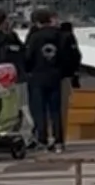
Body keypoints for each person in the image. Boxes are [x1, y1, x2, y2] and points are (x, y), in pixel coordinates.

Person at [21, 8, 66, 149]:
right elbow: (65, 56)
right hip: (55, 76)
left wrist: (27, 70)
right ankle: (59, 140)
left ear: (37, 22)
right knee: (55, 110)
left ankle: (42, 139)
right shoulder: (60, 36)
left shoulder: (35, 37)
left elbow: (28, 57)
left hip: (37, 76)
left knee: (39, 110)